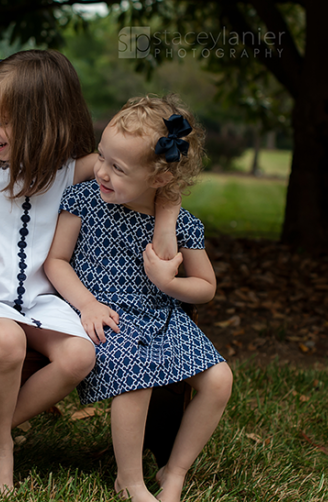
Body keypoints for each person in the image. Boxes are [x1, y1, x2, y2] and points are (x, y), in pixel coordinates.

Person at [0, 50, 181, 492]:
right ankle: (1, 450)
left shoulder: (74, 171)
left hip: (44, 300)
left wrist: (167, 221)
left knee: (79, 356)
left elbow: (157, 176)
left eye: (1, 121)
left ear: (44, 119)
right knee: (9, 342)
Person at [45, 94, 233, 502]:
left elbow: (206, 286)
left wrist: (170, 284)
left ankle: (174, 470)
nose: (101, 172)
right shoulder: (83, 201)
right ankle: (129, 479)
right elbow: (56, 262)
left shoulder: (182, 224)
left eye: (118, 168)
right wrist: (88, 304)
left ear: (159, 179)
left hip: (161, 314)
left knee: (220, 380)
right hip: (106, 314)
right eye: (101, 157)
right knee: (138, 378)